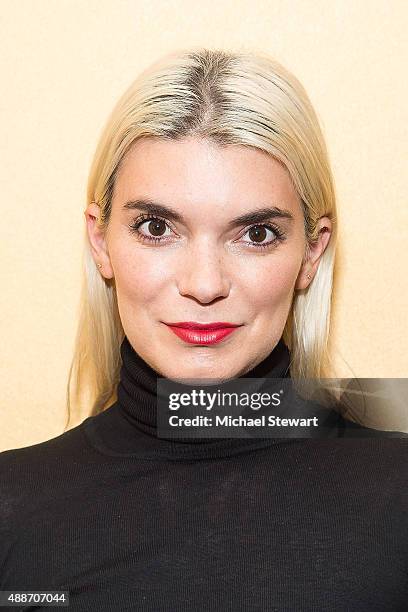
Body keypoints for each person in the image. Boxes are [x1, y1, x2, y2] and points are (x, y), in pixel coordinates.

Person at [0, 47, 407, 611]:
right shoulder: (11, 505)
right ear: (101, 240)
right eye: (156, 226)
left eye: (256, 234)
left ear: (312, 253)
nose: (204, 284)